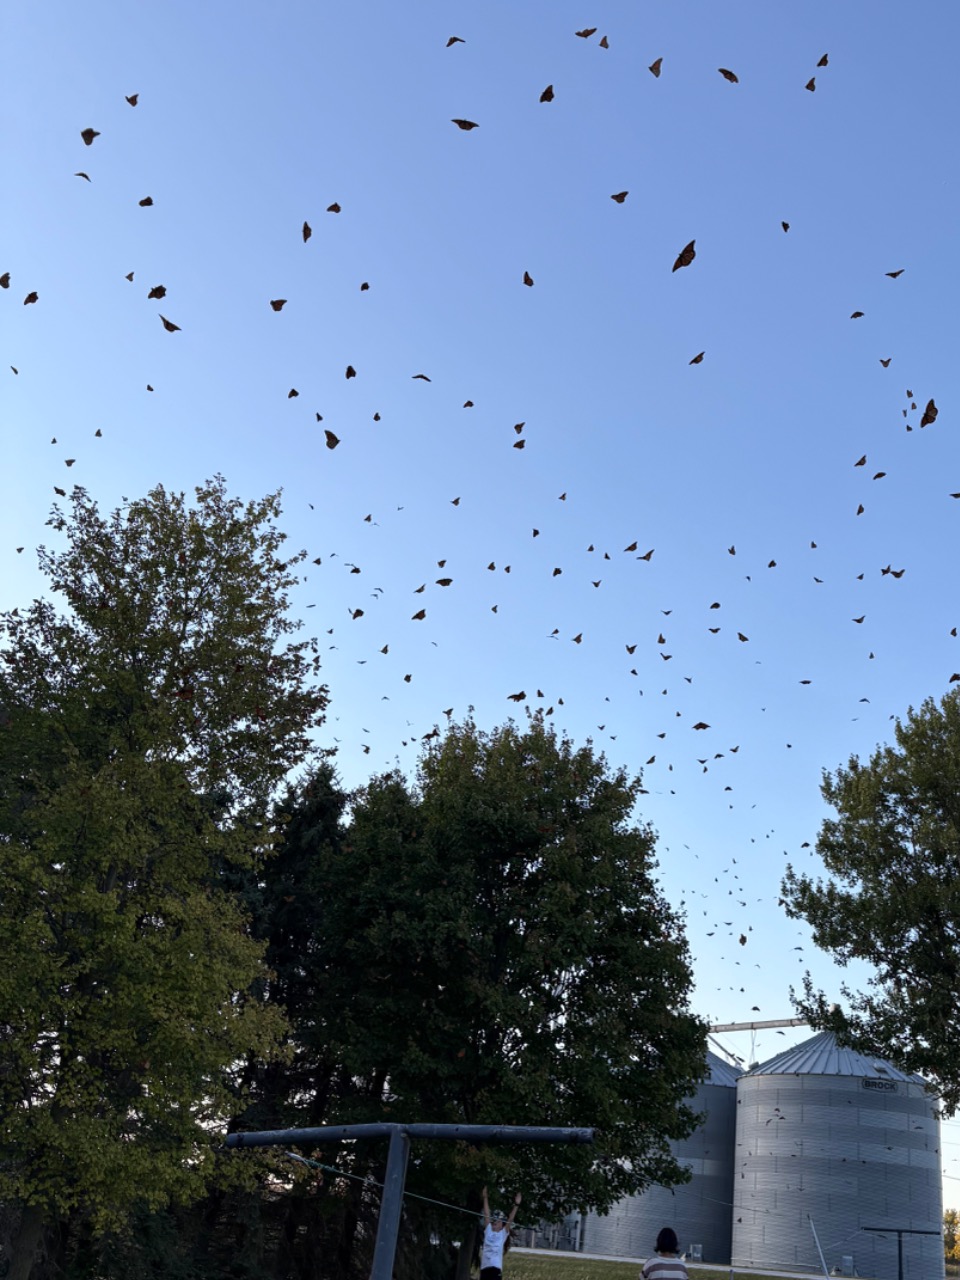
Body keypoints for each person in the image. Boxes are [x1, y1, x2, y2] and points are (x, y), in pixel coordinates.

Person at [479, 1185, 521, 1280]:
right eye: (494, 1221)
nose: (495, 1222)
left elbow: (510, 1219)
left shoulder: (502, 1234)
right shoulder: (488, 1230)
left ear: (502, 1225)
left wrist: (516, 1204)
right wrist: (485, 1197)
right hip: (485, 1268)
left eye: (498, 1221)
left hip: (495, 1269)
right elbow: (487, 1214)